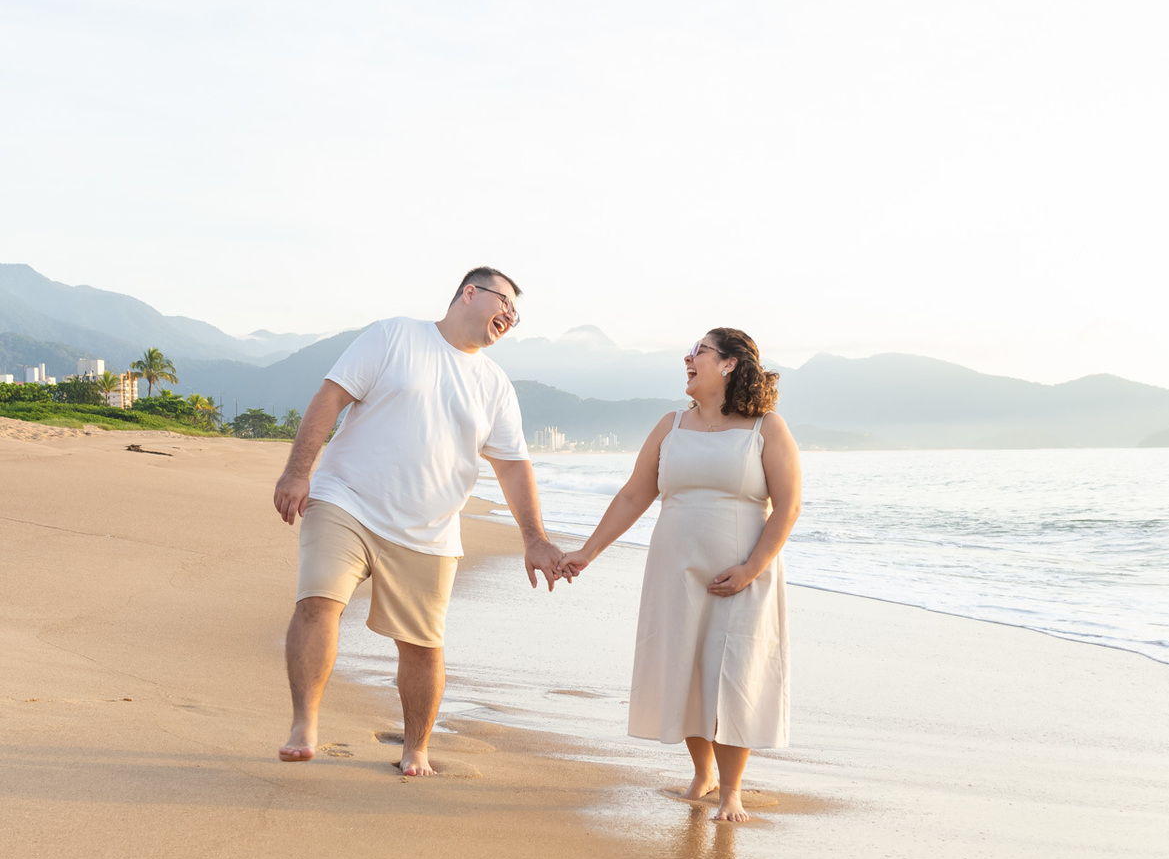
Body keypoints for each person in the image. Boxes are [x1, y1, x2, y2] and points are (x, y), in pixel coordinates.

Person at [273, 268, 564, 772]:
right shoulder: (394, 336)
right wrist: (299, 472)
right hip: (348, 500)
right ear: (469, 294)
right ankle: (305, 723)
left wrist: (534, 539)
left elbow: (513, 466)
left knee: (423, 646)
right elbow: (331, 397)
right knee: (319, 601)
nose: (511, 319)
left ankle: (416, 749)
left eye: (517, 314)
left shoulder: (494, 384)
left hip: (430, 529)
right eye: (506, 305)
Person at [561, 329, 801, 821]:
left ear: (730, 364)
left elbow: (788, 507)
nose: (687, 359)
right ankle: (703, 772)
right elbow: (633, 495)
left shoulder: (766, 427)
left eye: (700, 352)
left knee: (731, 673)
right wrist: (589, 551)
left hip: (743, 573)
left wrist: (752, 568)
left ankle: (731, 789)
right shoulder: (670, 425)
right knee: (688, 667)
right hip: (676, 568)